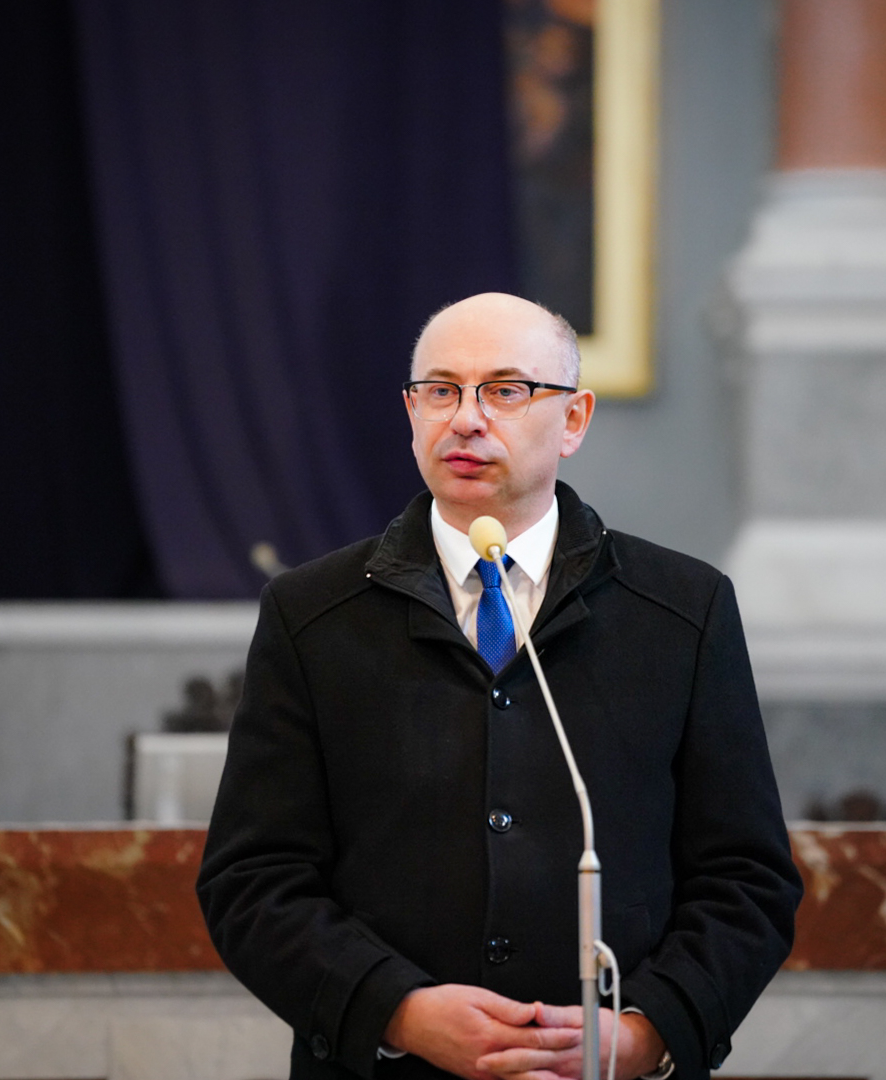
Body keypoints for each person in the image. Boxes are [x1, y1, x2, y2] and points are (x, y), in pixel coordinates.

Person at [198, 293, 800, 1080]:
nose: (466, 420)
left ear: (574, 418)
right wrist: (397, 1012)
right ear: (411, 413)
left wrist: (647, 1032)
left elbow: (748, 879)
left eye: (505, 390)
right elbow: (253, 880)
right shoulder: (313, 615)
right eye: (440, 391)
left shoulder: (681, 611)